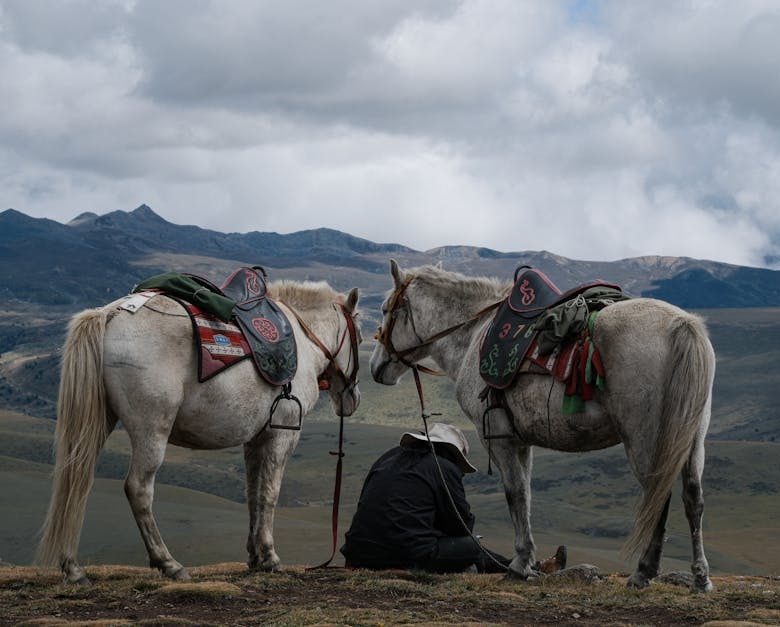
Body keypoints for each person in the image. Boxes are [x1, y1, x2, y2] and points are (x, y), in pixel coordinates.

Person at [340, 422, 566, 574]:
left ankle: (529, 568)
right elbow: (461, 526)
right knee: (472, 546)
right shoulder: (443, 467)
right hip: (405, 555)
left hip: (359, 553)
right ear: (451, 453)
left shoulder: (388, 457)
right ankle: (527, 570)